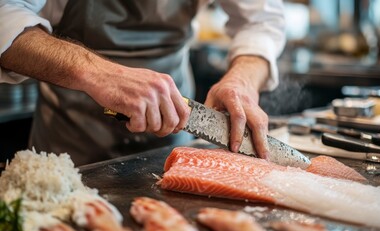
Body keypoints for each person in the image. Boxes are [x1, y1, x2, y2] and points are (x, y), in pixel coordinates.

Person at [0, 0, 286, 166]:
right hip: (69, 138)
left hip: (174, 127)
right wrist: (99, 74)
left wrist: (243, 81)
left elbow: (261, 21)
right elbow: (5, 13)